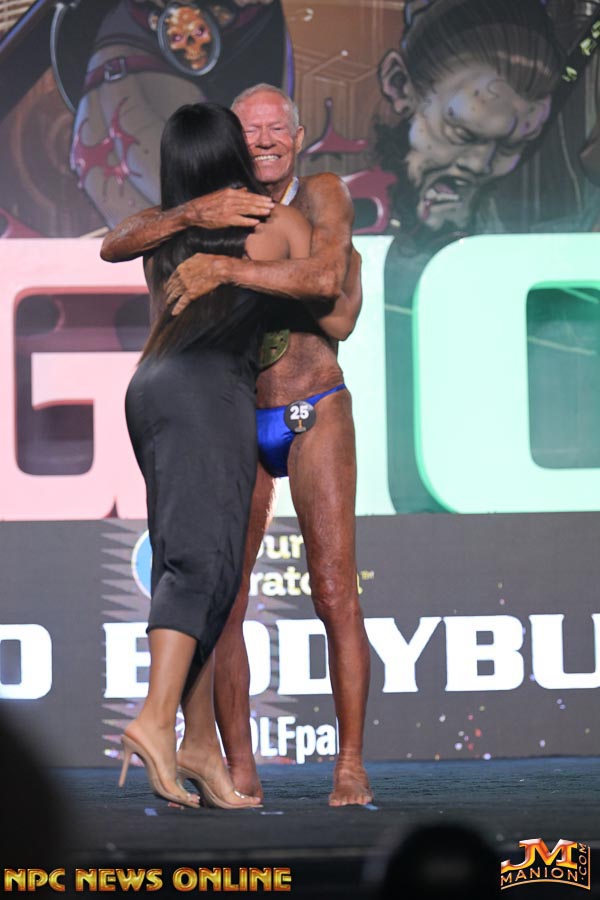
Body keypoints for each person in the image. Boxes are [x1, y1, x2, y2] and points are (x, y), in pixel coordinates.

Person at [101, 84, 371, 807]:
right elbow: (117, 241)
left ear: (299, 135)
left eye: (278, 128)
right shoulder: (208, 217)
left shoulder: (314, 196)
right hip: (226, 413)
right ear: (231, 143)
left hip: (306, 403)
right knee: (221, 589)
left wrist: (228, 269)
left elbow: (335, 303)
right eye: (250, 131)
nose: (266, 141)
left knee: (332, 587)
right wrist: (196, 218)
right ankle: (222, 757)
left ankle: (346, 764)